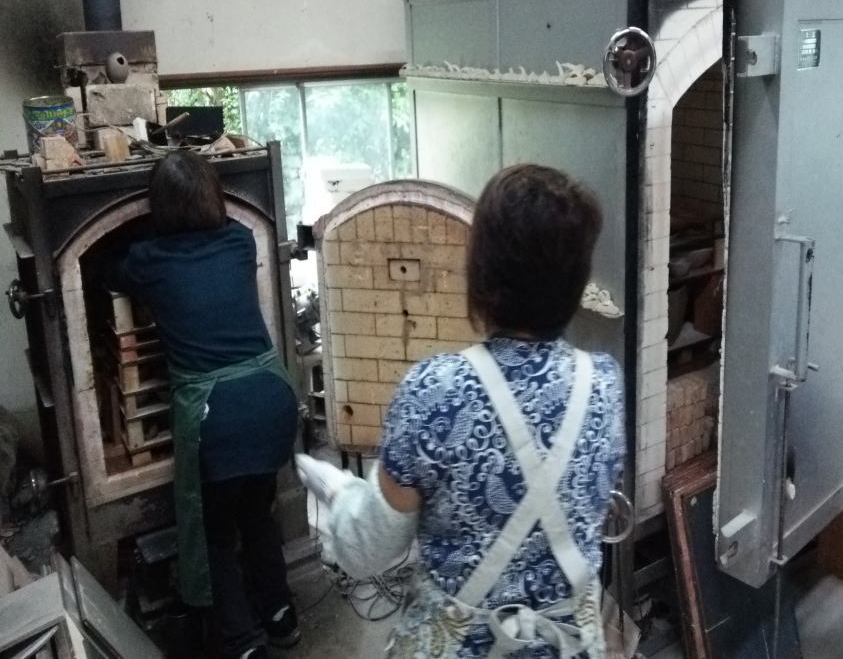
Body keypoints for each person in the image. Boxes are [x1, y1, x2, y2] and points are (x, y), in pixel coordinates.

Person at [297, 164, 626, 658]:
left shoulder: (434, 391)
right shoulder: (603, 384)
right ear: (577, 281)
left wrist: (339, 492)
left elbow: (370, 550)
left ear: (480, 275)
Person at [110, 151, 300, 659]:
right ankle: (280, 616)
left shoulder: (149, 260)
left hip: (218, 417)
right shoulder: (240, 240)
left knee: (216, 534)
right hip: (273, 398)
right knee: (257, 514)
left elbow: (108, 270)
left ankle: (243, 643)